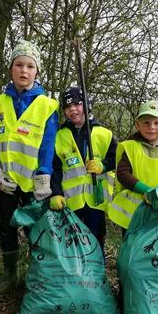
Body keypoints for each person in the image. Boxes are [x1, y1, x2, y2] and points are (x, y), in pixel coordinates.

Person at [0, 39, 59, 294]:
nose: (24, 71)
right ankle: (10, 275)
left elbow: (49, 144)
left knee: (36, 230)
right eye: (19, 65)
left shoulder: (47, 106)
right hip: (6, 181)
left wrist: (44, 175)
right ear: (11, 69)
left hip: (32, 182)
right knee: (6, 227)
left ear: (36, 71)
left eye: (30, 66)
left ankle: (37, 276)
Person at [50, 86, 117, 254]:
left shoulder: (104, 133)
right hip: (71, 201)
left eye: (77, 104)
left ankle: (98, 275)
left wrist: (103, 165)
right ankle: (78, 277)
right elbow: (55, 168)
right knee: (73, 242)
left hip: (97, 198)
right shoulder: (59, 136)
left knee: (96, 238)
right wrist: (55, 193)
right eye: (67, 106)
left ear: (86, 105)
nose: (72, 109)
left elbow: (117, 159)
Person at [107, 100, 158, 230]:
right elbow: (123, 174)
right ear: (138, 125)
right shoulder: (130, 147)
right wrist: (147, 191)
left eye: (157, 123)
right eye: (146, 122)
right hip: (132, 215)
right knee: (132, 249)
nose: (151, 127)